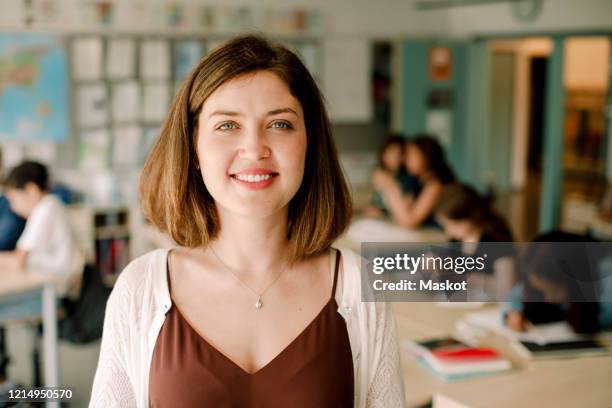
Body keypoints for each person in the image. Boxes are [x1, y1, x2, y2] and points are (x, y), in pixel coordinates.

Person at [90, 35, 406, 408]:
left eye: (280, 124)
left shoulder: (360, 286)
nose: (255, 149)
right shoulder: (140, 289)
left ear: (310, 143)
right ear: (193, 148)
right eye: (227, 126)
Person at [504, 231, 612, 334]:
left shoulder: (606, 279)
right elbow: (514, 297)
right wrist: (513, 313)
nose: (548, 300)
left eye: (554, 291)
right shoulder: (539, 275)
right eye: (542, 291)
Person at [435, 183, 516, 300]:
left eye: (453, 225)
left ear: (470, 217)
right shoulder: (458, 237)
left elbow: (508, 289)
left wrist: (468, 278)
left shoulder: (497, 239)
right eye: (445, 226)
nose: (448, 232)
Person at [373, 134, 454, 229]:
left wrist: (389, 185)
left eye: (411, 155)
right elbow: (400, 215)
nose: (404, 159)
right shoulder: (417, 181)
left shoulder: (435, 185)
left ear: (425, 157)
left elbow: (410, 222)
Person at [363, 134, 421, 218]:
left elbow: (405, 210)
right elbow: (376, 201)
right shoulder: (378, 173)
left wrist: (383, 213)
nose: (395, 158)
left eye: (399, 154)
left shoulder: (408, 179)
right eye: (390, 153)